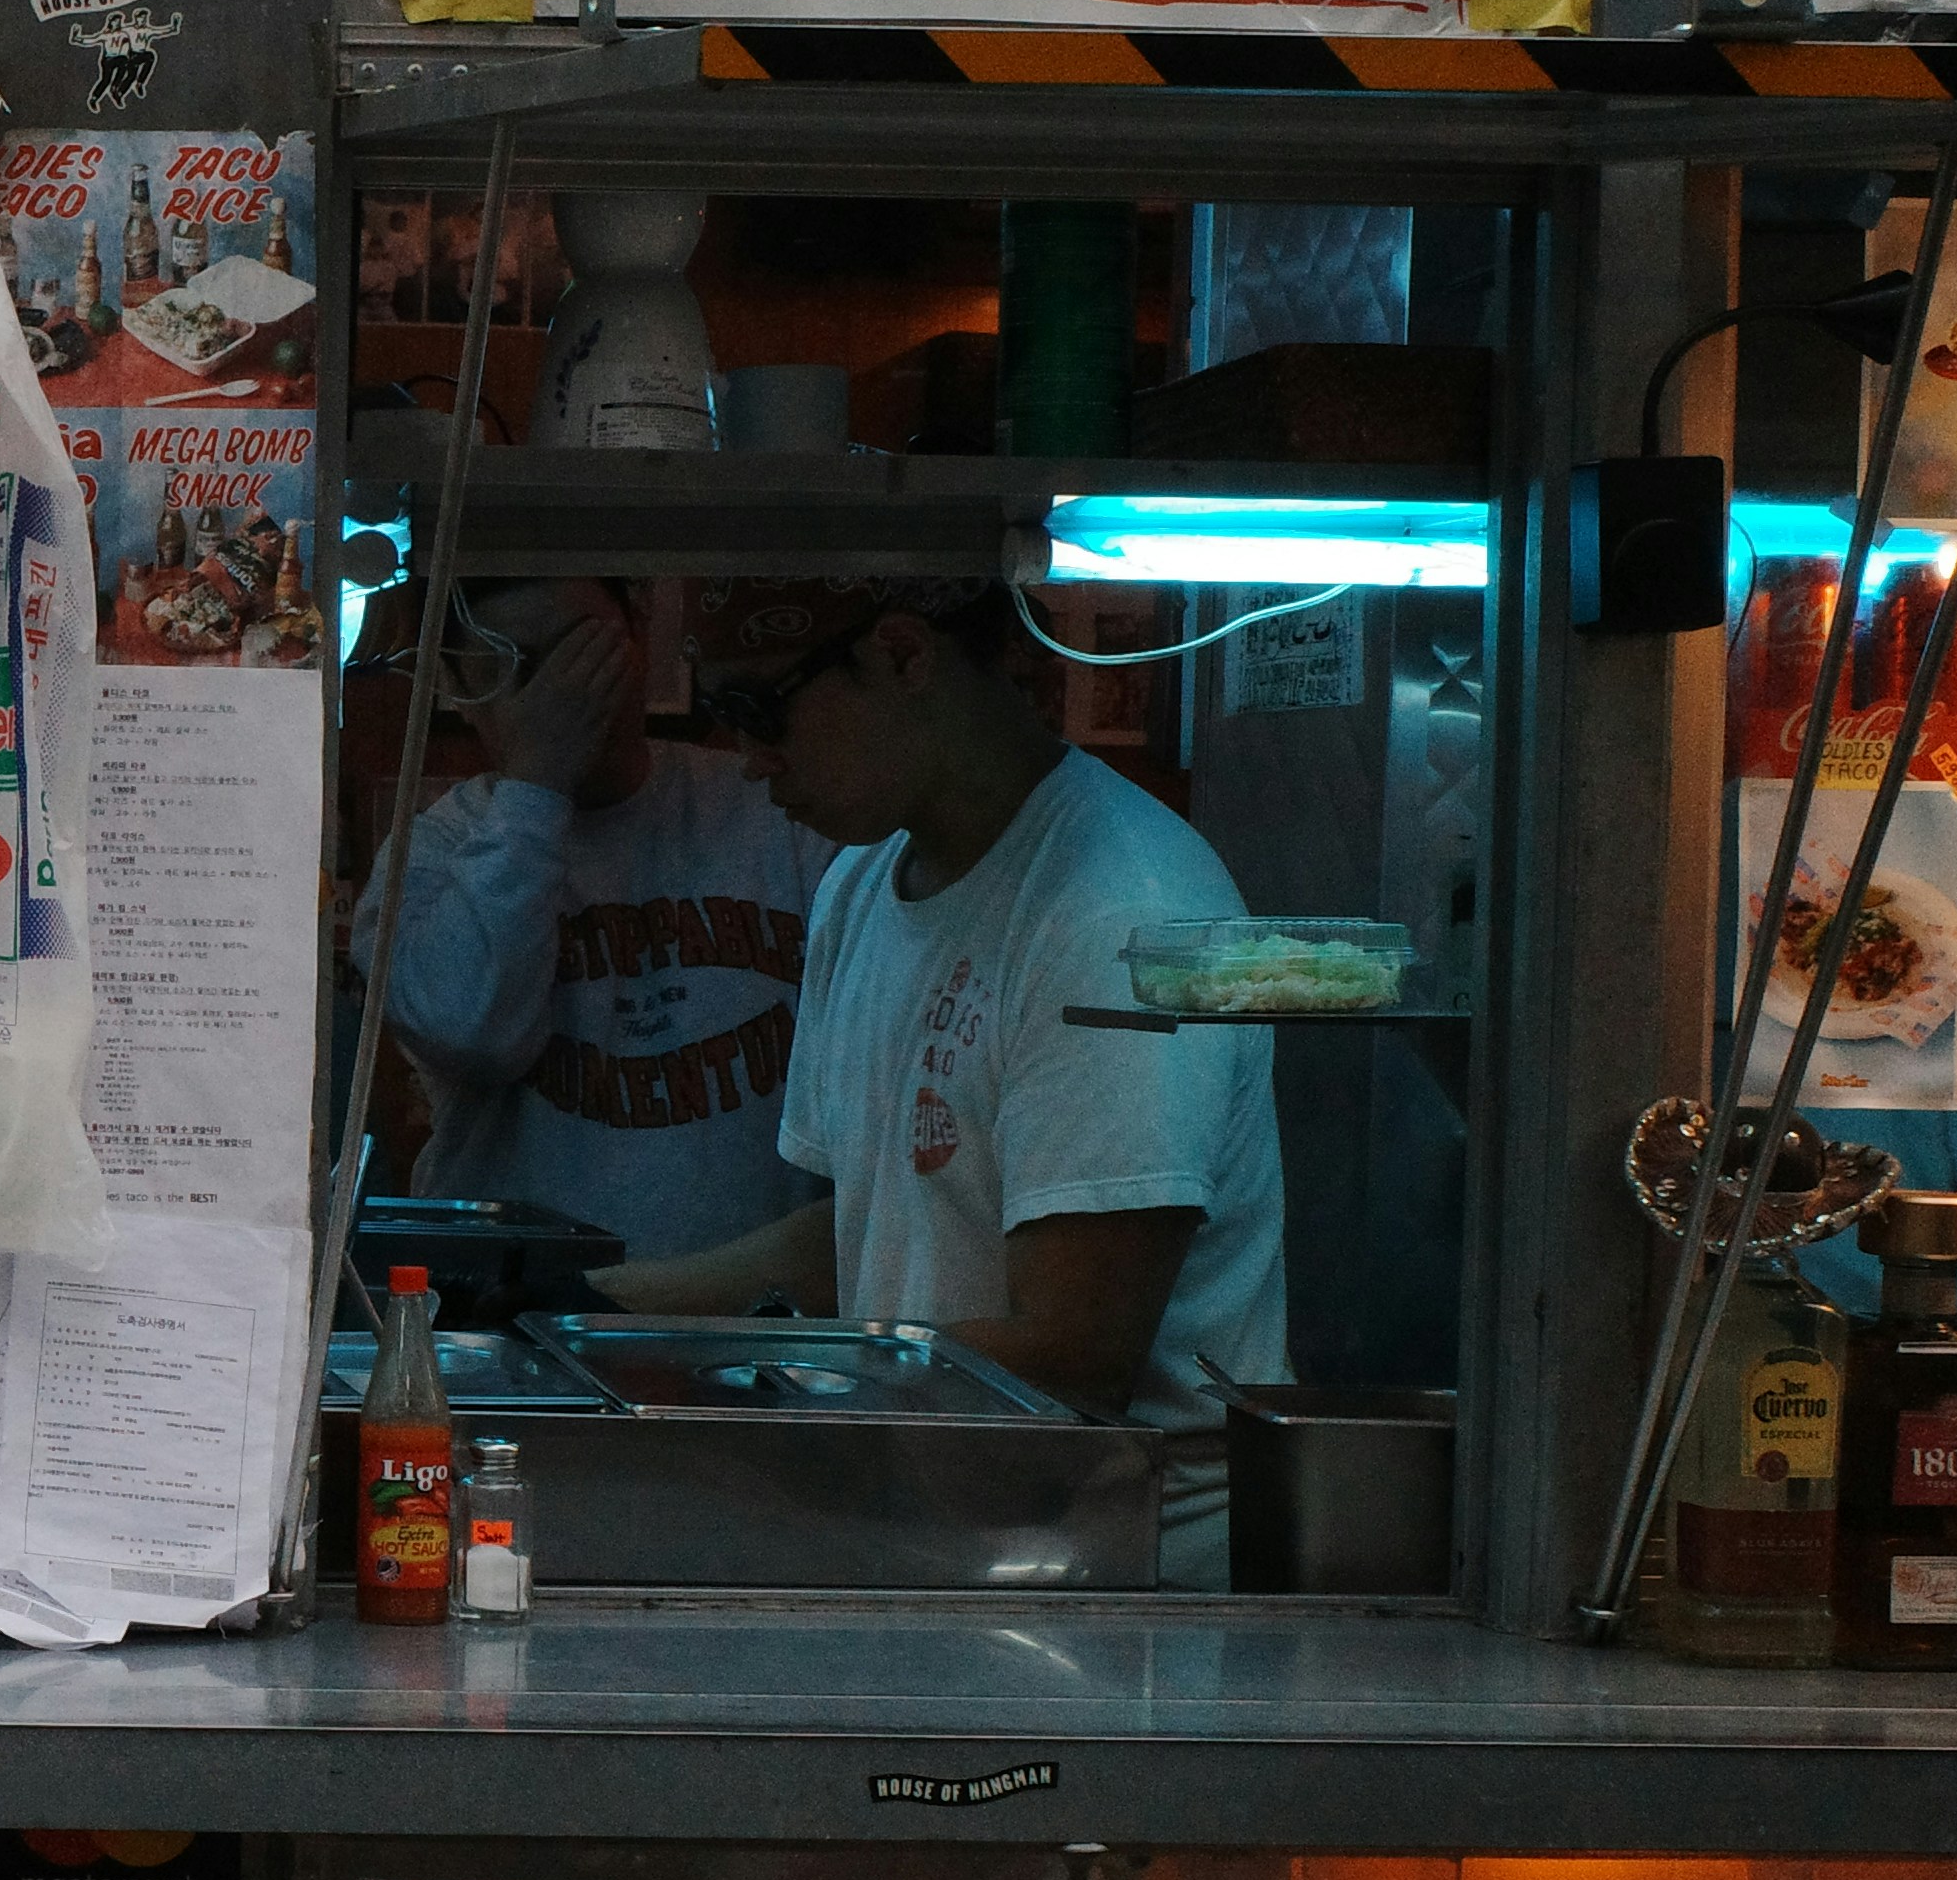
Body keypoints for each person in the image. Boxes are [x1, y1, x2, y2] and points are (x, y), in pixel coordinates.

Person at [595, 576, 1291, 1585]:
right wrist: (588, 1314)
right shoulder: (862, 883)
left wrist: (779, 1397)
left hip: (1123, 1582)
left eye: (762, 710)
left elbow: (1072, 1348)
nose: (749, 762)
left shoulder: (1112, 908)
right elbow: (864, 1228)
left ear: (906, 654)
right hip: (947, 1535)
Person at [349, 575, 826, 1258]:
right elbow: (473, 1030)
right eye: (516, 670)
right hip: (511, 1324)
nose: (561, 694)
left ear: (635, 632)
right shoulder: (432, 854)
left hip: (751, 1320)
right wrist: (538, 780)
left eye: (579, 649)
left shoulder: (776, 811)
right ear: (457, 691)